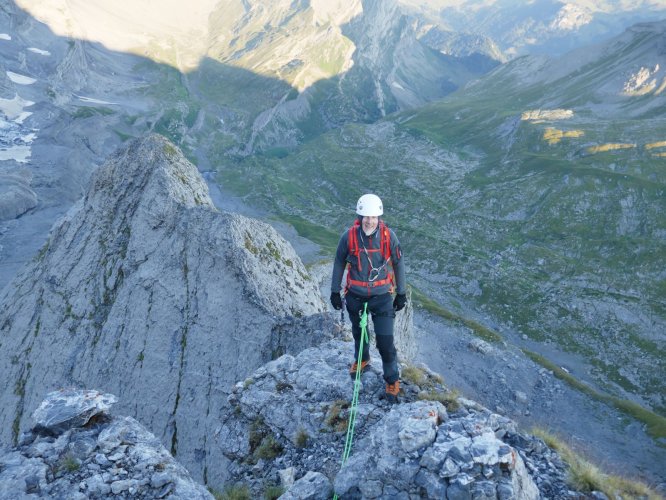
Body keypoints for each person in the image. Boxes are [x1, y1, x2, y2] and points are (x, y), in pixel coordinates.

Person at [330, 193, 407, 403]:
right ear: (360, 216)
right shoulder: (349, 237)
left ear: (379, 218)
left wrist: (401, 293)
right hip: (355, 295)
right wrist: (334, 291)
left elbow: (399, 264)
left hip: (382, 297)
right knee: (359, 332)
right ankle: (362, 360)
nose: (369, 221)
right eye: (366, 216)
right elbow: (338, 262)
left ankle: (391, 378)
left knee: (385, 341)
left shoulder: (389, 237)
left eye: (373, 217)